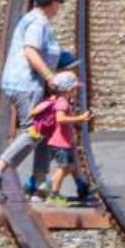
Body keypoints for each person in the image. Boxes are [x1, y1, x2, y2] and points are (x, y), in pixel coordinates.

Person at [0, 0, 74, 192]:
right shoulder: (38, 23)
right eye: (59, 2)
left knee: (44, 130)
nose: (59, 7)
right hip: (26, 84)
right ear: (52, 2)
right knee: (35, 130)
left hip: (26, 83)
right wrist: (50, 77)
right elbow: (30, 51)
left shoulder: (34, 19)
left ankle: (39, 185)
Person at [31, 77, 92, 205]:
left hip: (63, 141)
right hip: (59, 143)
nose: (77, 91)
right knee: (64, 168)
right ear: (68, 90)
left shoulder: (63, 101)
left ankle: (53, 190)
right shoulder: (62, 103)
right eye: (75, 89)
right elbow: (60, 119)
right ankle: (52, 194)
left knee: (68, 167)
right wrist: (79, 118)